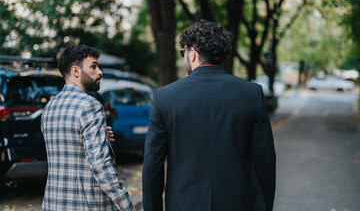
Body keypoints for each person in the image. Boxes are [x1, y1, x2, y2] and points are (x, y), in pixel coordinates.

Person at [142, 20, 276, 211]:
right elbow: (265, 162)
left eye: (184, 53)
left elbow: (152, 165)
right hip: (237, 203)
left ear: (193, 53)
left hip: (183, 204)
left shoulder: (164, 97)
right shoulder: (251, 94)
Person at [41, 44, 136, 211]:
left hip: (53, 204)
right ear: (76, 71)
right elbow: (101, 165)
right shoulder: (90, 106)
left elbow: (68, 148)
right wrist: (126, 204)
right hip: (86, 204)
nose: (99, 72)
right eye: (93, 66)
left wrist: (99, 135)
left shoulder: (49, 107)